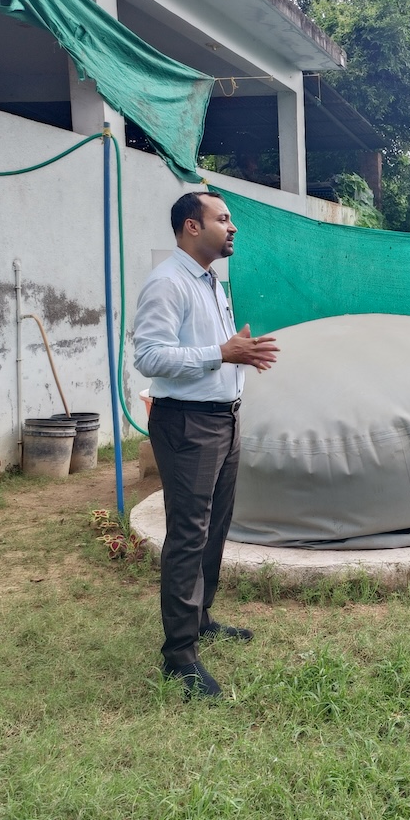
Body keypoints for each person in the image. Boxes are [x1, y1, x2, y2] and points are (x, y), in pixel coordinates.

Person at [133, 190, 279, 698]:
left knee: (216, 525)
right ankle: (179, 656)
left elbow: (213, 353)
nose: (232, 226)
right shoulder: (167, 283)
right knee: (188, 534)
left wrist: (238, 354)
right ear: (192, 226)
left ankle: (200, 618)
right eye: (223, 218)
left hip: (223, 421)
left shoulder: (211, 281)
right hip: (188, 424)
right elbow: (149, 357)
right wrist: (222, 352)